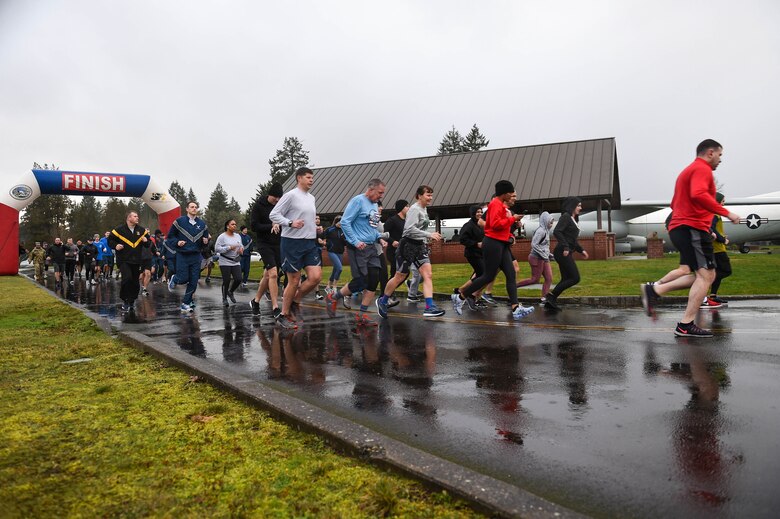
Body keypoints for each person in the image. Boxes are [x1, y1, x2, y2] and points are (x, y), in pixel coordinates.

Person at [640, 139, 740, 337]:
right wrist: (726, 213)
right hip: (692, 229)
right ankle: (685, 324)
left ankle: (655, 290)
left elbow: (674, 203)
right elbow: (699, 194)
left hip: (686, 228)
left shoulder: (689, 171)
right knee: (707, 276)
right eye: (720, 155)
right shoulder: (702, 169)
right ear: (710, 153)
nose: (720, 160)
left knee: (695, 274)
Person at [452, 180, 534, 320]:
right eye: (511, 193)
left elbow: (497, 226)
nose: (513, 195)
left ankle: (515, 308)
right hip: (493, 244)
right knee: (488, 276)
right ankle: (460, 296)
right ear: (505, 193)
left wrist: (509, 234)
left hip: (501, 243)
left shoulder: (500, 205)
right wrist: (512, 219)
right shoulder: (495, 204)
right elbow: (495, 225)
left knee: (511, 273)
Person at [324, 178, 388, 326]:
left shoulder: (373, 204)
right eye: (380, 193)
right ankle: (334, 297)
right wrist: (355, 241)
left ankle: (362, 315)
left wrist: (379, 238)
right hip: (358, 248)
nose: (381, 196)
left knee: (373, 280)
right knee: (361, 281)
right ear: (371, 189)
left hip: (371, 247)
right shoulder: (357, 201)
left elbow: (371, 227)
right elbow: (345, 222)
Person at [377, 185, 446, 319]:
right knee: (400, 277)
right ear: (419, 195)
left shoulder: (424, 209)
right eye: (428, 195)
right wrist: (428, 234)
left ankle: (429, 307)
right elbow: (408, 230)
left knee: (428, 275)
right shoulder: (414, 209)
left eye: (431, 195)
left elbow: (419, 229)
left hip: (419, 246)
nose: (430, 198)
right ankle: (383, 300)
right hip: (407, 246)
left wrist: (425, 241)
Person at [269, 167, 323, 329]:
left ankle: (295, 301)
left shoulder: (311, 197)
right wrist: (290, 223)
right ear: (299, 178)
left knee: (315, 277)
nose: (311, 180)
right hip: (292, 242)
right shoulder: (290, 195)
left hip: (309, 242)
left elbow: (308, 218)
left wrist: (315, 228)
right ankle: (283, 314)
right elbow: (274, 215)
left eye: (312, 177)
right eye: (308, 177)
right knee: (294, 280)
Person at [544, 197, 588, 311]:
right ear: (572, 206)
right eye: (578, 205)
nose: (580, 208)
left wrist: (581, 250)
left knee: (566, 278)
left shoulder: (574, 219)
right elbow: (557, 231)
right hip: (562, 252)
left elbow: (572, 239)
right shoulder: (566, 217)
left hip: (565, 251)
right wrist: (566, 247)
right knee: (575, 278)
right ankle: (550, 296)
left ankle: (551, 300)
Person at [167, 201, 211, 314]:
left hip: (196, 255)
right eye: (192, 207)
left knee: (194, 280)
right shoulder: (179, 222)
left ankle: (185, 303)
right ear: (187, 209)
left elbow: (205, 240)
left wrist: (205, 241)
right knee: (183, 278)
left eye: (196, 207)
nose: (194, 209)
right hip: (183, 254)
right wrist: (177, 242)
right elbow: (170, 237)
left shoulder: (202, 224)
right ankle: (175, 278)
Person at [249, 182, 284, 320]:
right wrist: (271, 225)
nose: (277, 200)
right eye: (275, 196)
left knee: (268, 276)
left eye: (279, 197)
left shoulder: (280, 206)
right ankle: (275, 307)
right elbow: (254, 226)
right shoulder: (258, 206)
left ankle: (255, 301)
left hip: (278, 243)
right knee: (274, 274)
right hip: (264, 244)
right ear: (269, 194)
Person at [108, 211, 150, 312]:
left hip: (136, 261)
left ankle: (132, 300)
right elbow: (110, 241)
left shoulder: (142, 230)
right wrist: (115, 246)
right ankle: (125, 300)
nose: (137, 218)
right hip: (123, 260)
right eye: (135, 216)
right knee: (127, 278)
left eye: (137, 216)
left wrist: (146, 241)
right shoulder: (118, 230)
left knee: (135, 282)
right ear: (128, 218)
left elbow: (148, 244)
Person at [517, 211, 555, 303]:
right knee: (535, 280)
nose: (551, 224)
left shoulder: (546, 230)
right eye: (550, 222)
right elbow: (534, 245)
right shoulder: (540, 231)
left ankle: (544, 298)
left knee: (549, 278)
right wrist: (544, 255)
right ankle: (513, 286)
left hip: (543, 258)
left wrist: (549, 255)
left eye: (552, 222)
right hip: (536, 258)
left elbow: (544, 246)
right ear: (545, 221)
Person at [457, 205, 488, 307]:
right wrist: (476, 244)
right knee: (483, 274)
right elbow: (462, 239)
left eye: (480, 212)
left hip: (482, 253)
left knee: (480, 274)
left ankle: (464, 291)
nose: (479, 214)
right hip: (472, 254)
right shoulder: (468, 225)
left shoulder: (481, 225)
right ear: (473, 213)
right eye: (477, 212)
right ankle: (468, 295)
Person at [704, 192, 732, 307]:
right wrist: (722, 240)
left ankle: (713, 296)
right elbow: (711, 229)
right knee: (726, 271)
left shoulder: (714, 213)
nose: (724, 203)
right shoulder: (714, 214)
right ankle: (704, 288)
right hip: (717, 249)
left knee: (719, 271)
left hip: (717, 248)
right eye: (723, 201)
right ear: (717, 201)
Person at [383, 199, 409, 306]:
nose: (409, 208)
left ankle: (388, 292)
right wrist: (392, 241)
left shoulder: (406, 221)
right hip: (393, 251)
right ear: (401, 208)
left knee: (405, 274)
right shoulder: (392, 220)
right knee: (395, 274)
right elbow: (384, 232)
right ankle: (385, 297)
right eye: (407, 206)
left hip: (403, 251)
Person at [215, 219, 244, 307]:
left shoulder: (238, 236)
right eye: (232, 224)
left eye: (235, 224)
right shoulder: (222, 237)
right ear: (227, 226)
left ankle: (230, 292)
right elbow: (217, 249)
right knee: (226, 280)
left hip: (235, 261)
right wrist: (229, 247)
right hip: (224, 261)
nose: (235, 226)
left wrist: (241, 249)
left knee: (238, 279)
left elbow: (241, 245)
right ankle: (224, 298)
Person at [324, 216, 346, 295]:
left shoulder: (343, 231)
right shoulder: (329, 230)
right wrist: (325, 244)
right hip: (331, 251)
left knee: (335, 269)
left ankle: (328, 286)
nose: (341, 223)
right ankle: (334, 286)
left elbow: (345, 242)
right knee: (339, 268)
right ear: (336, 221)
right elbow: (323, 237)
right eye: (340, 222)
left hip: (340, 252)